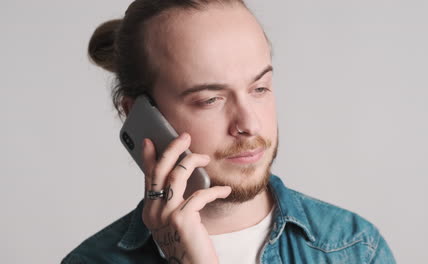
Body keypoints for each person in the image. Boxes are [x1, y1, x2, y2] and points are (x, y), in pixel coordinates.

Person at [62, 0, 396, 263]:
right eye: (210, 99)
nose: (249, 124)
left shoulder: (354, 251)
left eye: (260, 88)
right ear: (138, 116)